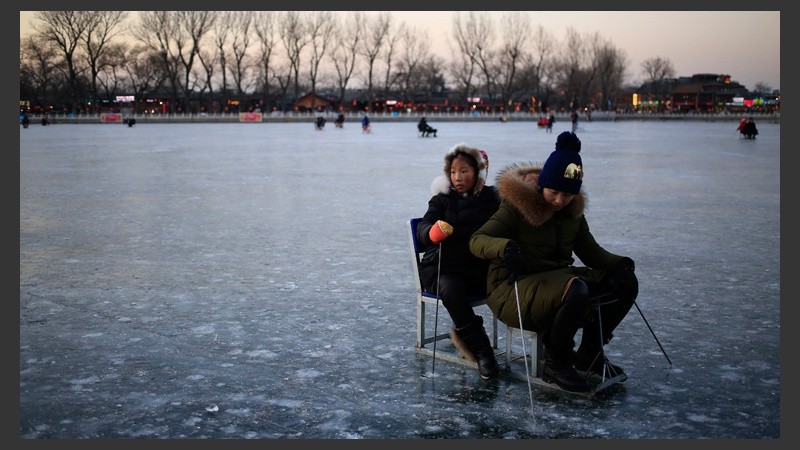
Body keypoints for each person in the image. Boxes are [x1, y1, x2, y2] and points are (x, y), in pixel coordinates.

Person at [469, 131, 638, 393]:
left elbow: (590, 251)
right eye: (554, 192)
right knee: (576, 289)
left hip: (555, 279)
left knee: (624, 282)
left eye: (567, 195)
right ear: (542, 184)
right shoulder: (516, 207)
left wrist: (620, 263)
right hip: (512, 287)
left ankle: (590, 353)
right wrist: (505, 247)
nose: (559, 200)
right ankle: (556, 361)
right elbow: (477, 240)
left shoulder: (572, 213)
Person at [416, 144, 501, 379]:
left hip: (477, 268)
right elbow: (424, 225)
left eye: (464, 171)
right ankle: (482, 351)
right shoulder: (442, 199)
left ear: (478, 172)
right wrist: (431, 232)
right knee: (452, 288)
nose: (458, 177)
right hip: (442, 268)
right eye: (453, 172)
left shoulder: (492, 198)